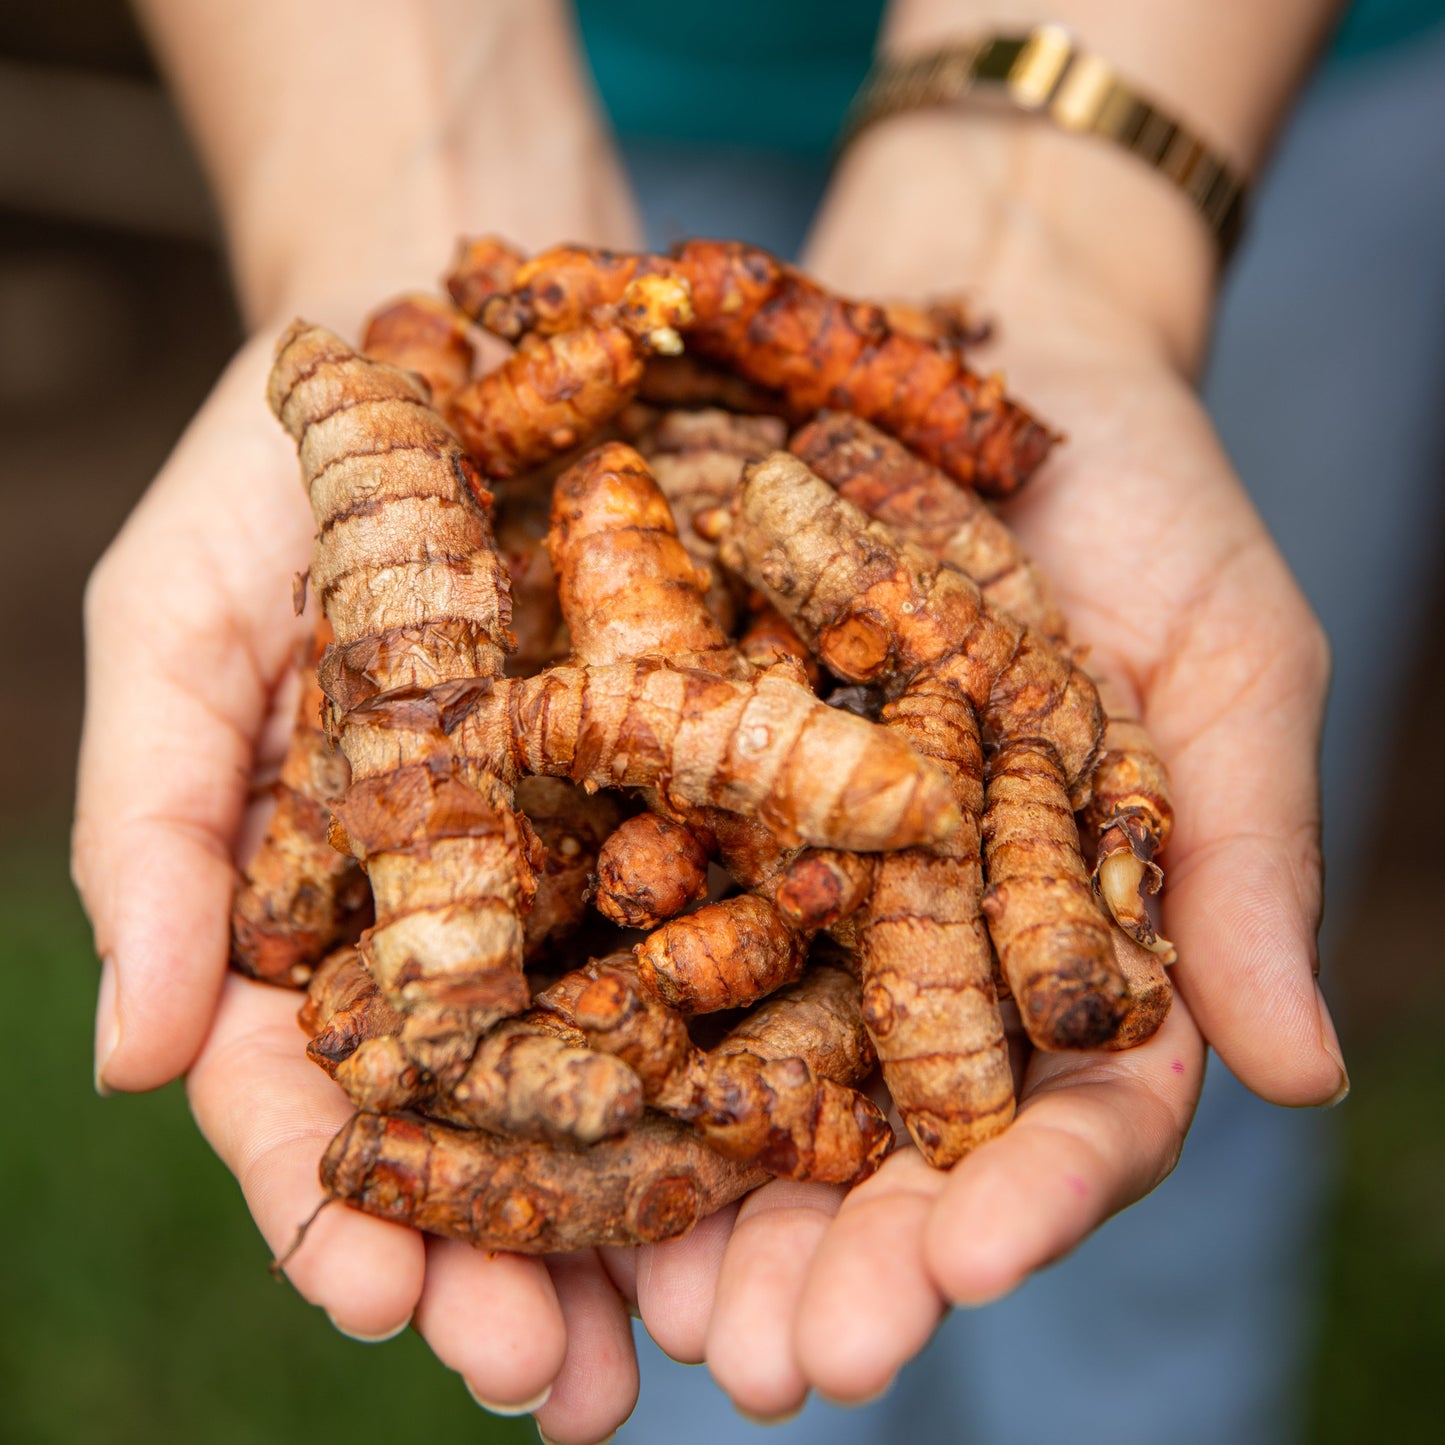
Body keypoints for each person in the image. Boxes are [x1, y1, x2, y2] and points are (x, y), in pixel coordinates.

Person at [73, 2, 1384, 1441]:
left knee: (1152, 1188)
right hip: (610, 80)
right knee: (733, 1347)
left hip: (1222, 70)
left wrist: (1069, 227)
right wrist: (403, 149)